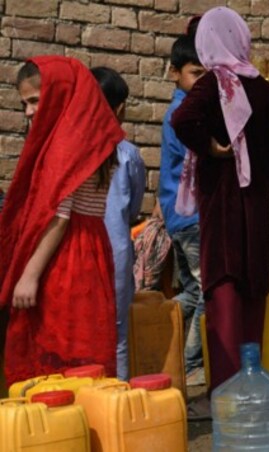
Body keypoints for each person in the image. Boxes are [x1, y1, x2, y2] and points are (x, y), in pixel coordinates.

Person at [171, 6, 269, 401]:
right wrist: (258, 184)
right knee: (252, 290)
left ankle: (227, 396)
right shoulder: (265, 88)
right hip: (254, 207)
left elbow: (181, 119)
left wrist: (215, 150)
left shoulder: (215, 82)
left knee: (223, 290)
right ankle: (252, 388)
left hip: (222, 203)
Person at [0, 57, 123, 383]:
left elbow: (60, 216)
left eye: (35, 101)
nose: (28, 112)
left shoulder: (66, 144)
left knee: (59, 353)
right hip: (93, 252)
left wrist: (29, 276)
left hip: (65, 258)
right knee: (86, 350)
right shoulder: (95, 139)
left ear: (59, 94)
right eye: (24, 103)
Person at [159, 34, 207, 387]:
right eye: (195, 74)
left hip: (179, 218)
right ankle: (190, 363)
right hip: (191, 218)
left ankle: (160, 339)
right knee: (209, 292)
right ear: (173, 73)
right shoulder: (182, 114)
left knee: (191, 291)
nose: (201, 82)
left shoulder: (179, 110)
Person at [92, 66, 147, 381]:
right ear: (120, 108)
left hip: (80, 254)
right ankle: (118, 409)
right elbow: (133, 209)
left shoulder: (72, 150)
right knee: (118, 337)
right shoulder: (128, 154)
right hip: (116, 252)